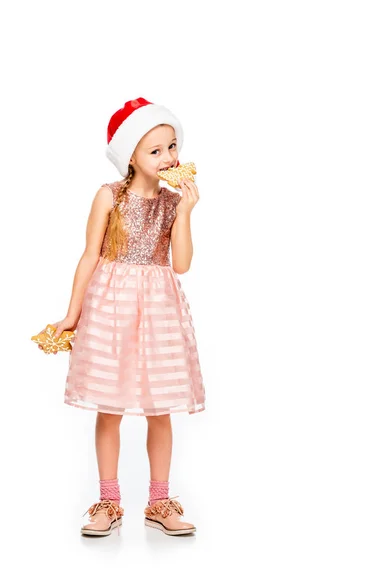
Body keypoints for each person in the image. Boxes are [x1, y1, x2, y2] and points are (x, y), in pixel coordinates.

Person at [39, 97, 206, 537]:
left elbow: (182, 263)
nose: (169, 157)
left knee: (159, 406)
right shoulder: (108, 196)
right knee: (109, 406)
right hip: (111, 307)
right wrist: (72, 314)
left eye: (172, 146)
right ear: (130, 155)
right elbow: (90, 255)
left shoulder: (173, 202)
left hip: (158, 307)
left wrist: (186, 212)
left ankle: (159, 500)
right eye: (155, 150)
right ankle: (109, 501)